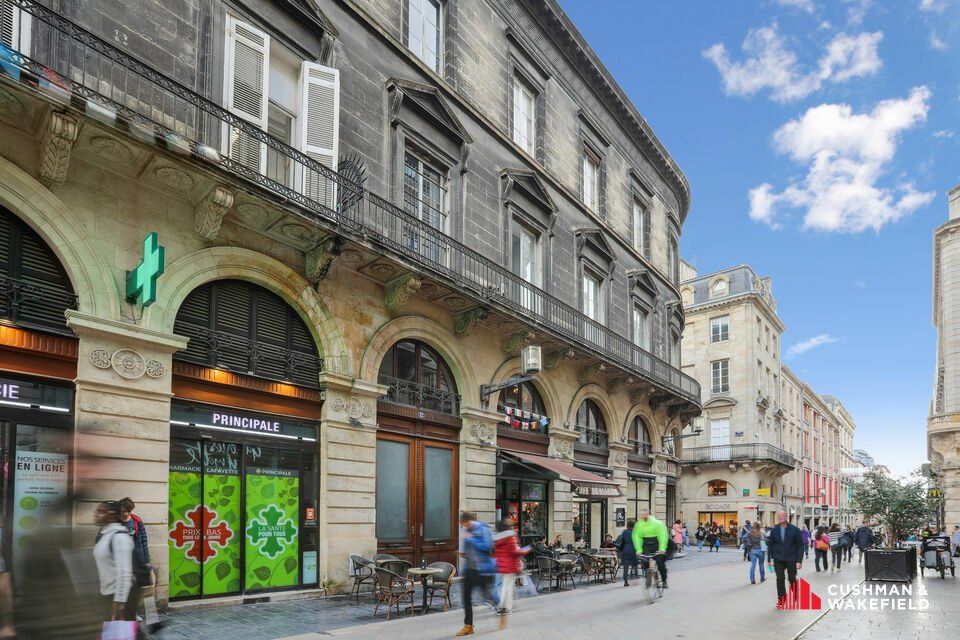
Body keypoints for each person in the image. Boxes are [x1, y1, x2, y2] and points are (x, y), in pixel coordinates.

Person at [93, 500, 134, 623]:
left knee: (121, 632)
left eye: (101, 511)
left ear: (112, 515)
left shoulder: (119, 536)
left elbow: (125, 572)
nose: (96, 514)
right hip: (106, 593)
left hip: (117, 596)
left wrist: (119, 602)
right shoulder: (105, 534)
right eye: (97, 511)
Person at [456, 511, 495, 637]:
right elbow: (466, 552)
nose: (463, 527)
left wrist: (472, 539)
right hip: (469, 569)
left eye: (464, 524)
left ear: (468, 521)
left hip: (481, 570)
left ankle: (496, 602)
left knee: (485, 596)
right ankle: (468, 626)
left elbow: (487, 546)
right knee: (466, 597)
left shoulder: (483, 529)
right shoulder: (466, 531)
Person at [118, 497, 150, 620]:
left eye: (128, 511)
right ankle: (121, 612)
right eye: (123, 511)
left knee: (135, 588)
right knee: (123, 587)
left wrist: (146, 560)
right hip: (121, 560)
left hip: (136, 560)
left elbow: (144, 540)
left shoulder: (136, 521)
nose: (125, 513)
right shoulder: (116, 523)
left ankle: (133, 612)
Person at [492, 518, 527, 630]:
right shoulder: (511, 537)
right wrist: (525, 551)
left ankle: (504, 607)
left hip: (500, 566)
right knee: (507, 588)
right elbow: (514, 552)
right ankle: (504, 607)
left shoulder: (496, 538)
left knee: (503, 587)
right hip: (510, 566)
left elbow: (495, 552)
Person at [767, 511, 803, 608]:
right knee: (779, 578)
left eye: (783, 516)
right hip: (778, 558)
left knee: (792, 578)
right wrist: (769, 560)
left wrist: (799, 561)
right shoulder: (774, 530)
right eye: (779, 516)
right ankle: (781, 599)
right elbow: (770, 545)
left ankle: (795, 595)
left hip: (791, 558)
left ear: (786, 517)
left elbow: (800, 545)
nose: (781, 517)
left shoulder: (795, 529)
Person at [632, 508, 669, 588]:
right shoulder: (638, 525)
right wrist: (639, 549)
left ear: (648, 514)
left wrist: (662, 547)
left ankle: (664, 580)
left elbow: (663, 535)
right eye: (642, 514)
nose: (643, 516)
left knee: (660, 562)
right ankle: (648, 577)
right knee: (645, 561)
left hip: (657, 543)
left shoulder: (657, 523)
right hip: (646, 544)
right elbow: (637, 537)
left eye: (645, 514)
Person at [615, 519, 639, 586]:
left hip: (626, 550)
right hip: (633, 550)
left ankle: (625, 581)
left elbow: (622, 540)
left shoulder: (625, 532)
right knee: (635, 563)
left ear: (627, 525)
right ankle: (635, 575)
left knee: (626, 566)